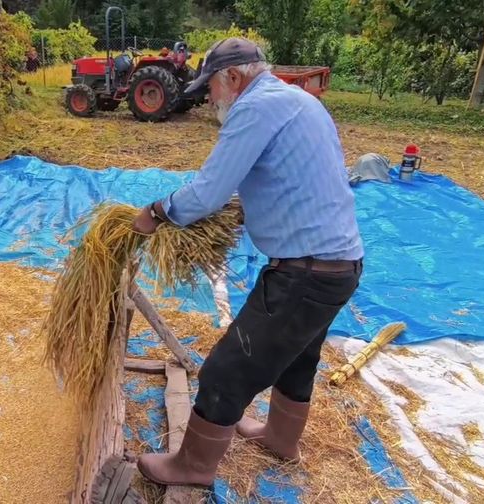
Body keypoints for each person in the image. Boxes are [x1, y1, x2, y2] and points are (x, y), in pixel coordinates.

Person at [132, 37, 364, 488]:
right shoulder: (299, 101)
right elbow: (290, 175)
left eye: (211, 88)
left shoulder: (254, 108)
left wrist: (157, 212)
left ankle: (194, 466)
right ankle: (280, 438)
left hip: (306, 273)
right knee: (297, 358)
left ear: (234, 78)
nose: (209, 99)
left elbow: (208, 191)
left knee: (226, 369)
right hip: (340, 265)